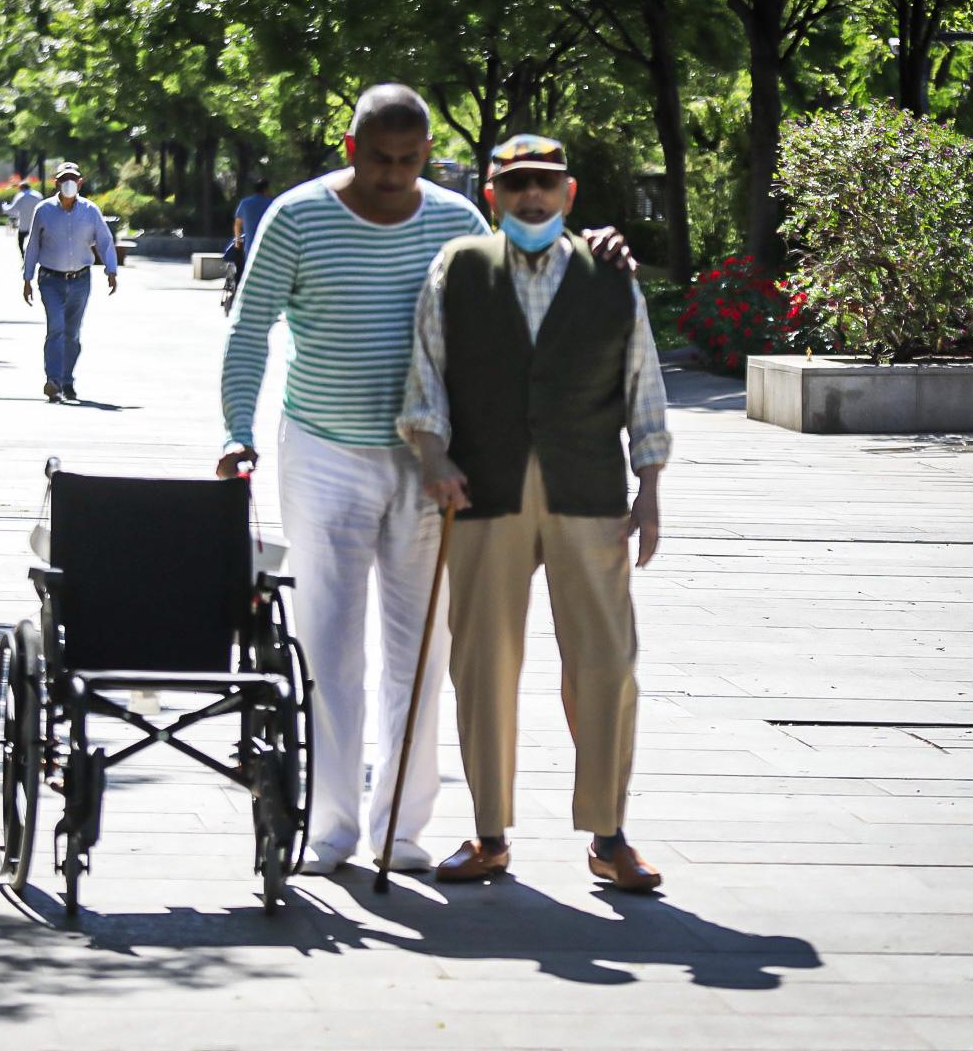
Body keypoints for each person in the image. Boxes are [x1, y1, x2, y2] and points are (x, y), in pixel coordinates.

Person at [216, 85, 635, 876]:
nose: (393, 175)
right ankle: (333, 825)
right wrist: (237, 429)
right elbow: (249, 329)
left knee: (420, 650)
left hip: (431, 462)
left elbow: (525, 274)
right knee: (329, 645)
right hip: (323, 451)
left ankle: (401, 825)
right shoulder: (297, 218)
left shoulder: (453, 219)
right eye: (379, 159)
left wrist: (599, 247)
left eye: (410, 161)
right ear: (351, 148)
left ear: (427, 155)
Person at [398, 134, 669, 892]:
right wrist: (432, 455)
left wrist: (649, 486)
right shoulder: (458, 267)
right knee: (483, 661)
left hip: (588, 488)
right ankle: (489, 833)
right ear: (492, 194)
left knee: (606, 662)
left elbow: (643, 385)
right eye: (516, 183)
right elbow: (426, 375)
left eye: (545, 183)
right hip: (484, 487)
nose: (531, 196)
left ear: (568, 193)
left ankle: (609, 835)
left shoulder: (610, 275)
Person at [21, 161, 118, 402]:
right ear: (56, 183)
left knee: (72, 334)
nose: (69, 183)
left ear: (80, 183)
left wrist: (111, 270)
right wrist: (27, 278)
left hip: (80, 280)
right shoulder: (43, 210)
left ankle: (67, 380)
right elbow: (33, 245)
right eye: (64, 179)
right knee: (56, 329)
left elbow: (104, 240)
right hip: (50, 279)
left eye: (73, 178)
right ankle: (53, 380)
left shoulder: (90, 211)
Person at [229, 178, 272, 284]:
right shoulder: (271, 203)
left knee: (250, 275)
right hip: (269, 247)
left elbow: (237, 224)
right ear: (266, 189)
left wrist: (237, 240)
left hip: (249, 246)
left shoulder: (245, 203)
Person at [3, 181, 44, 256]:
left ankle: (24, 256)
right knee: (37, 242)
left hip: (23, 225)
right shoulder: (38, 195)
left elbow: (13, 210)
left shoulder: (20, 196)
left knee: (20, 242)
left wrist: (4, 206)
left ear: (21, 188)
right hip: (37, 224)